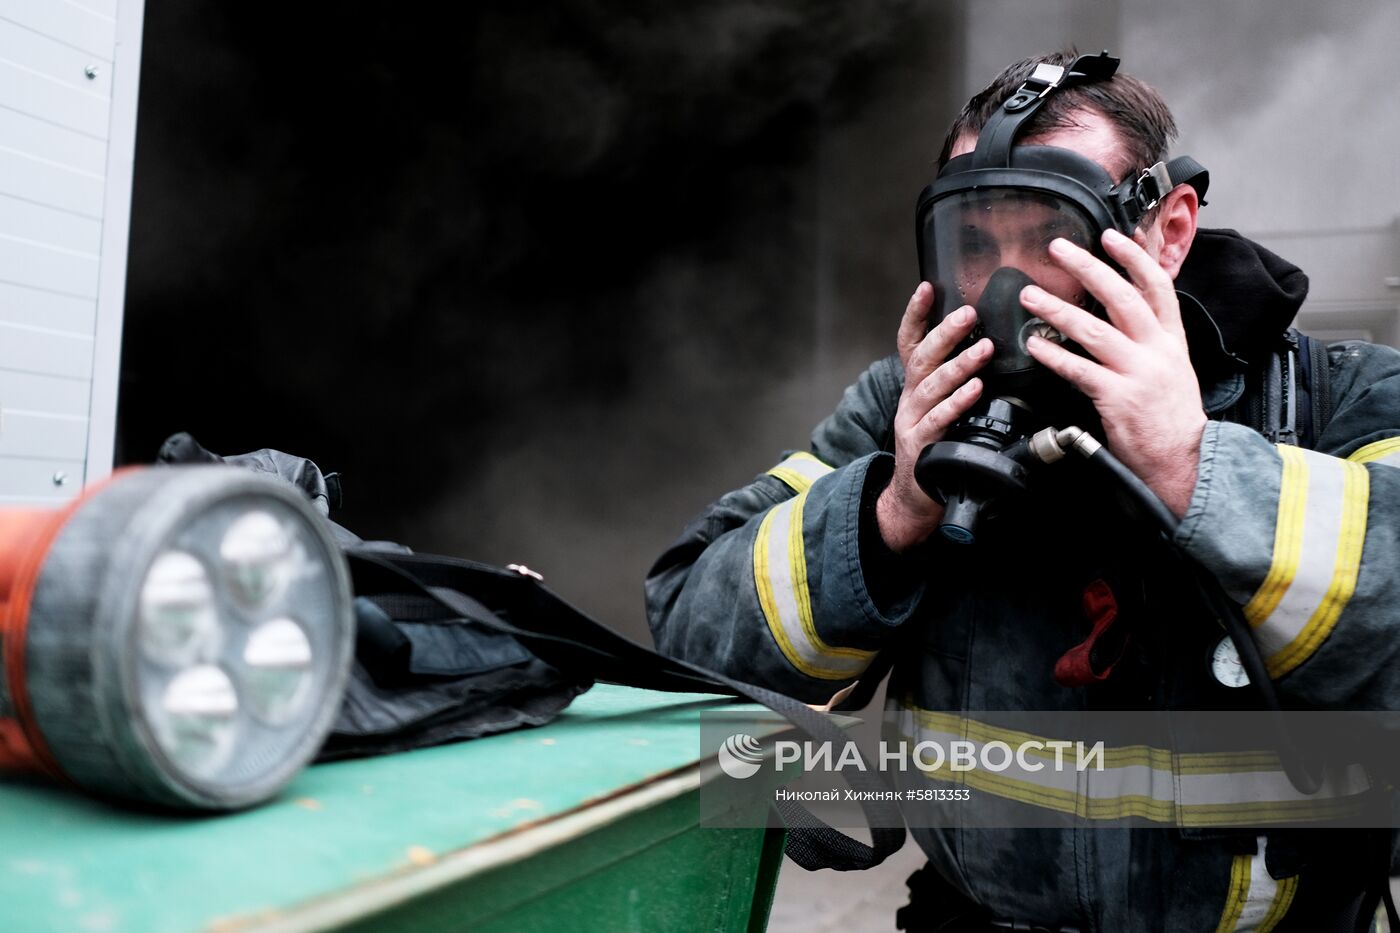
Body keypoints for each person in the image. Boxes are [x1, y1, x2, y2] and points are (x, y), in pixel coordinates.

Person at [646, 50, 1400, 932]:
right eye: (975, 244)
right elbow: (689, 632)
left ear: (1170, 229)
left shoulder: (1336, 401)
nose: (1013, 289)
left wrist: (1196, 469)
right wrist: (893, 512)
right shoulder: (910, 411)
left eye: (1053, 235)